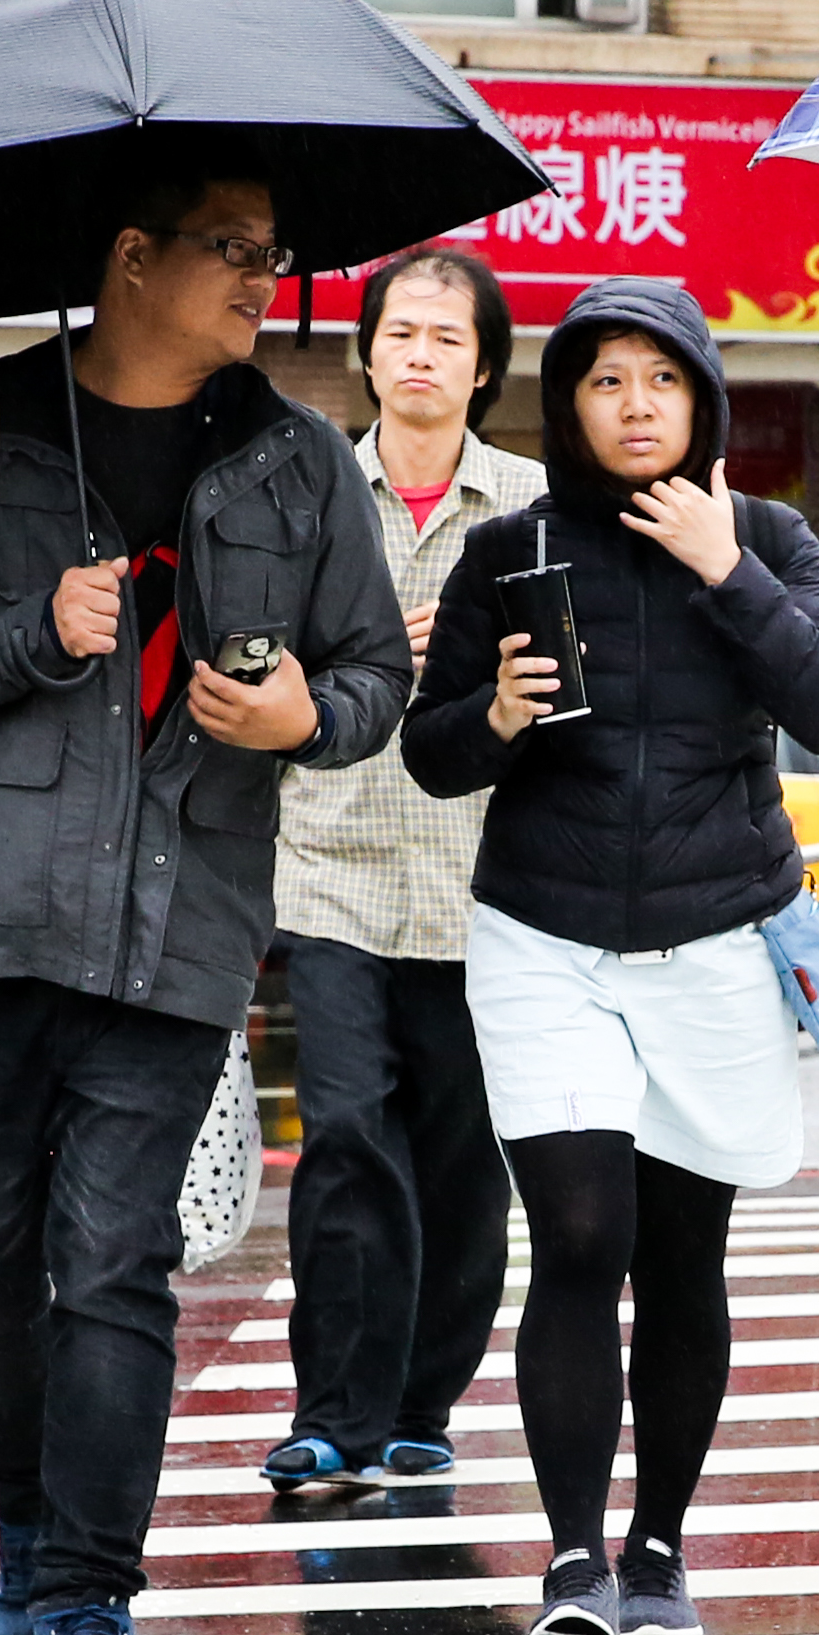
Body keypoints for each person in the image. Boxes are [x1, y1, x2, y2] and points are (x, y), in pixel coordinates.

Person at [0, 163, 412, 1635]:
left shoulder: (302, 463)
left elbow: (371, 672)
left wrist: (306, 715)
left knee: (114, 1262)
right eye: (232, 249)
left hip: (186, 922)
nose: (261, 280)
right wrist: (33, 628)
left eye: (274, 254)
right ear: (132, 256)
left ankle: (89, 1596)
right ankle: (30, 1529)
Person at [404, 279, 819, 1635]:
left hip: (715, 941)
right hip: (544, 939)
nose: (634, 405)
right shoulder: (510, 548)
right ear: (568, 406)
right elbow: (430, 753)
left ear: (703, 399)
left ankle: (658, 1547)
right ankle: (572, 1558)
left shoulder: (768, 537)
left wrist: (727, 569)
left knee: (681, 1254)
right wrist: (494, 714)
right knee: (580, 1236)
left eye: (661, 380)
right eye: (605, 381)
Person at [261, 245, 550, 1509]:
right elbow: (252, 650)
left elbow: (577, 677)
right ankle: (332, 1414)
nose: (420, 354)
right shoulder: (308, 489)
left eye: (447, 337)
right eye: (400, 333)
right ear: (366, 352)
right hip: (328, 864)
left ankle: (422, 1410)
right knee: (343, 1134)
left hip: (484, 880)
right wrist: (365, 648)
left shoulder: (535, 505)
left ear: (483, 368)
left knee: (461, 1158)